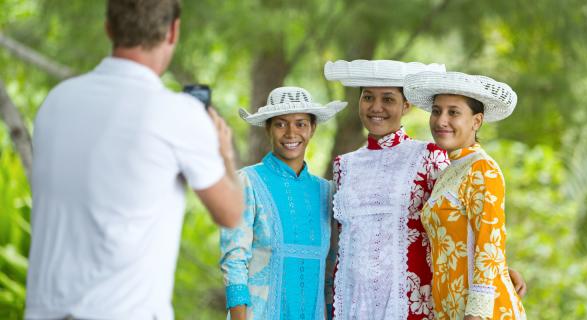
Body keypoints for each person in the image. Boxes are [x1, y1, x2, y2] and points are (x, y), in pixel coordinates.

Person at [25, 0, 243, 319]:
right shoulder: (176, 113)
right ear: (173, 31)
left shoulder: (56, 101)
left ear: (108, 27)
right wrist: (224, 152)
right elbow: (232, 213)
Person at [324, 60, 526, 320]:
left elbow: (484, 231)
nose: (376, 107)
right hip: (363, 299)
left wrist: (497, 270)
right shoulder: (345, 165)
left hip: (416, 301)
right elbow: (453, 228)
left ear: (405, 105)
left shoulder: (433, 158)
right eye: (368, 97)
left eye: (388, 98)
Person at [404, 70, 527, 319]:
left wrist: (476, 314)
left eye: (454, 112)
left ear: (476, 121)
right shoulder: (448, 172)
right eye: (437, 111)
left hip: (480, 313)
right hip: (448, 308)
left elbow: (488, 245)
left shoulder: (482, 168)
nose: (441, 121)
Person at [220, 86, 347, 319]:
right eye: (280, 124)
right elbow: (234, 259)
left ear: (312, 128)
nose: (291, 133)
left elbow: (331, 271)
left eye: (300, 123)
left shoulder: (327, 192)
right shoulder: (247, 182)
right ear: (268, 128)